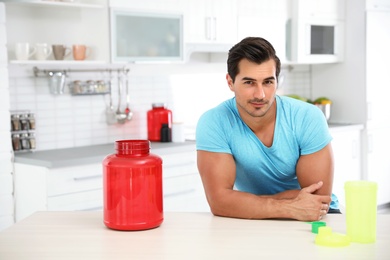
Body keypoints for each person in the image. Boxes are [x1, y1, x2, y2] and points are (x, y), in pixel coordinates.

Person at [195, 37, 340, 222]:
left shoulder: (307, 117)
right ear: (230, 82)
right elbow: (220, 202)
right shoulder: (214, 122)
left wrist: (246, 202)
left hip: (314, 216)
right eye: (249, 82)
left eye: (268, 82)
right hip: (256, 217)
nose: (260, 94)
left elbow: (316, 201)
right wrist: (288, 206)